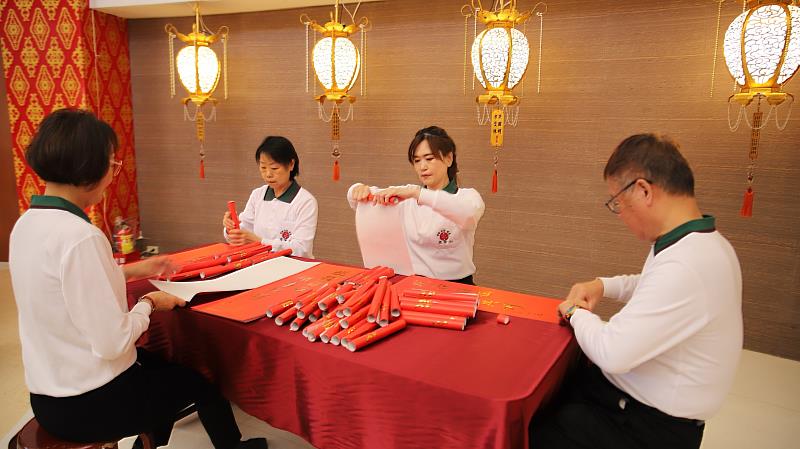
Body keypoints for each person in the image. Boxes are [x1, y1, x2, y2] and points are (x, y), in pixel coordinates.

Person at [9, 109, 267, 449]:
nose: (112, 174)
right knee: (200, 380)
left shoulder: (27, 224)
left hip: (47, 396)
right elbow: (112, 342)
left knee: (164, 367)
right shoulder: (80, 236)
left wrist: (136, 270)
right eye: (112, 164)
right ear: (89, 169)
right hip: (92, 402)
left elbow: (64, 285)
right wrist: (148, 303)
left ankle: (149, 442)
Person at [529, 134, 742, 449]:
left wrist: (575, 312)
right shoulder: (700, 242)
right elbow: (651, 283)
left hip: (643, 423)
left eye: (617, 202)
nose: (620, 214)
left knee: (529, 424)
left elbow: (612, 352)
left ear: (643, 190)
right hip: (635, 402)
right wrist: (603, 284)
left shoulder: (689, 264)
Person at [347, 126, 485, 284]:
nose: (422, 167)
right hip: (414, 286)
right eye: (417, 160)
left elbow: (467, 214)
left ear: (448, 158)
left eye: (429, 158)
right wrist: (357, 189)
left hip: (458, 286)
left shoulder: (468, 197)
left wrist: (417, 193)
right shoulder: (408, 197)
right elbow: (361, 199)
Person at [223, 136, 318, 258]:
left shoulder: (305, 201)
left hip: (292, 266)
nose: (268, 174)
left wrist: (260, 242)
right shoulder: (257, 195)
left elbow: (301, 250)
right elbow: (242, 233)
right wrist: (231, 228)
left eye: (274, 168)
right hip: (258, 262)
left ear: (291, 164)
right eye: (263, 167)